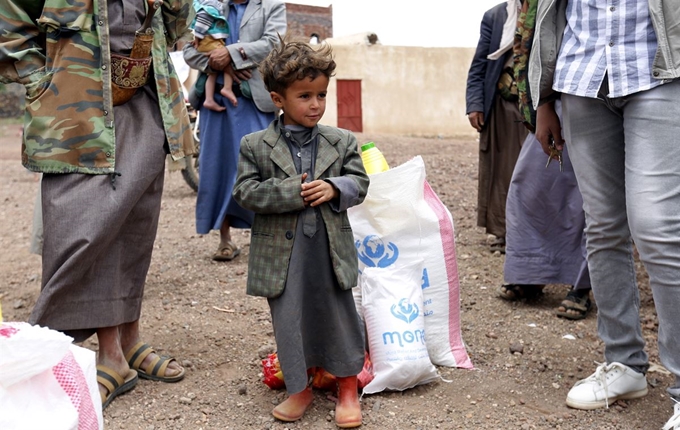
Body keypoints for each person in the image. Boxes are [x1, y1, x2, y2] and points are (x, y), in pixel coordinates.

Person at [0, 0, 193, 409]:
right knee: (85, 226)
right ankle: (108, 356)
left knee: (134, 223)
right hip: (75, 113)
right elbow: (9, 21)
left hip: (145, 100)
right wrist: (41, 81)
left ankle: (128, 342)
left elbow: (175, 25)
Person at [530, 0, 680, 427]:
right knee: (602, 227)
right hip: (582, 78)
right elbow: (546, 14)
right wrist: (542, 99)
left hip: (660, 72)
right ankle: (625, 364)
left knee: (657, 228)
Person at [232, 37, 369, 428]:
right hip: (282, 256)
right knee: (289, 319)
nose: (315, 104)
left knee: (339, 314)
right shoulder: (255, 146)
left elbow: (360, 182)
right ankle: (300, 388)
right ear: (278, 98)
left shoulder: (341, 141)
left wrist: (334, 187)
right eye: (305, 95)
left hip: (330, 249)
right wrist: (289, 192)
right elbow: (245, 192)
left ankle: (347, 387)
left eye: (321, 94)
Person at [498, 0, 592, 320]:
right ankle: (530, 274)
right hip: (555, 95)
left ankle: (582, 287)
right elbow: (531, 45)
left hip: (600, 94)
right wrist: (542, 104)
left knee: (589, 199)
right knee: (528, 187)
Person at [183, 0, 286, 262]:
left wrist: (231, 54)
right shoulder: (210, 5)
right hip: (216, 103)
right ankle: (225, 240)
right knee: (217, 168)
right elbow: (188, 50)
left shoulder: (272, 6)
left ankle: (269, 239)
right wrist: (220, 65)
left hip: (255, 101)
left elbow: (273, 44)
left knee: (263, 168)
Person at [465, 0, 529, 254]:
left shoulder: (547, 10)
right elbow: (479, 65)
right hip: (502, 105)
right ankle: (504, 232)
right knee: (503, 173)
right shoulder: (495, 16)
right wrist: (475, 104)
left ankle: (530, 232)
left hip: (536, 106)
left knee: (533, 171)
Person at [190, 0, 238, 111]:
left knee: (212, 73)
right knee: (229, 57)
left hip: (205, 40)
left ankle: (209, 99)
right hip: (208, 40)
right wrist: (197, 37)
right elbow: (203, 19)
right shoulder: (211, 3)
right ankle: (227, 88)